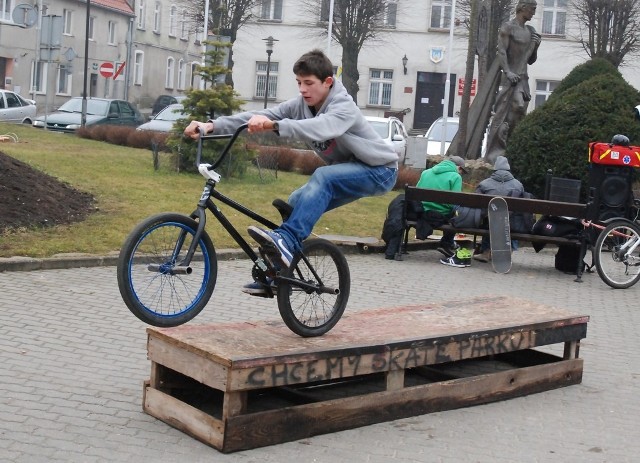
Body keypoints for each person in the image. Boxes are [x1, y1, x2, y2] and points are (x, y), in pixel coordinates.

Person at [184, 49, 399, 295]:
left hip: (379, 170)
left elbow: (321, 127)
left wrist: (276, 126)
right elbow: (260, 115)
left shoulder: (343, 106)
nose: (303, 89)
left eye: (309, 83)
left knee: (323, 178)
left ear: (328, 82)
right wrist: (211, 126)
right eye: (299, 83)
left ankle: (287, 241)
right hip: (351, 169)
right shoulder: (300, 105)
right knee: (297, 201)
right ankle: (278, 274)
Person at [484, 0, 541, 164]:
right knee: (516, 106)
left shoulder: (531, 31)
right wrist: (508, 72)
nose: (534, 13)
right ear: (522, 8)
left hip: (523, 78)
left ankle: (510, 146)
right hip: (511, 78)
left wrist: (535, 46)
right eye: (532, 9)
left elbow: (531, 60)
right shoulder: (508, 27)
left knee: (519, 114)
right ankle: (495, 150)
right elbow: (501, 51)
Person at [415, 156, 471, 267]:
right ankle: (446, 243)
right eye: (461, 171)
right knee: (455, 215)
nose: (461, 174)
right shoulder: (455, 177)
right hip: (441, 214)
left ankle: (449, 243)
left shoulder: (426, 172)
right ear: (458, 167)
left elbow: (416, 193)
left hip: (421, 212)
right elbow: (455, 201)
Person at [473, 155, 524, 262]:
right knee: (512, 219)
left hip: (489, 221)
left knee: (489, 217)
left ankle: (486, 251)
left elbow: (476, 204)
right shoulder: (518, 185)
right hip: (510, 222)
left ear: (495, 169)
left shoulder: (484, 184)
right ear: (508, 169)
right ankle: (509, 250)